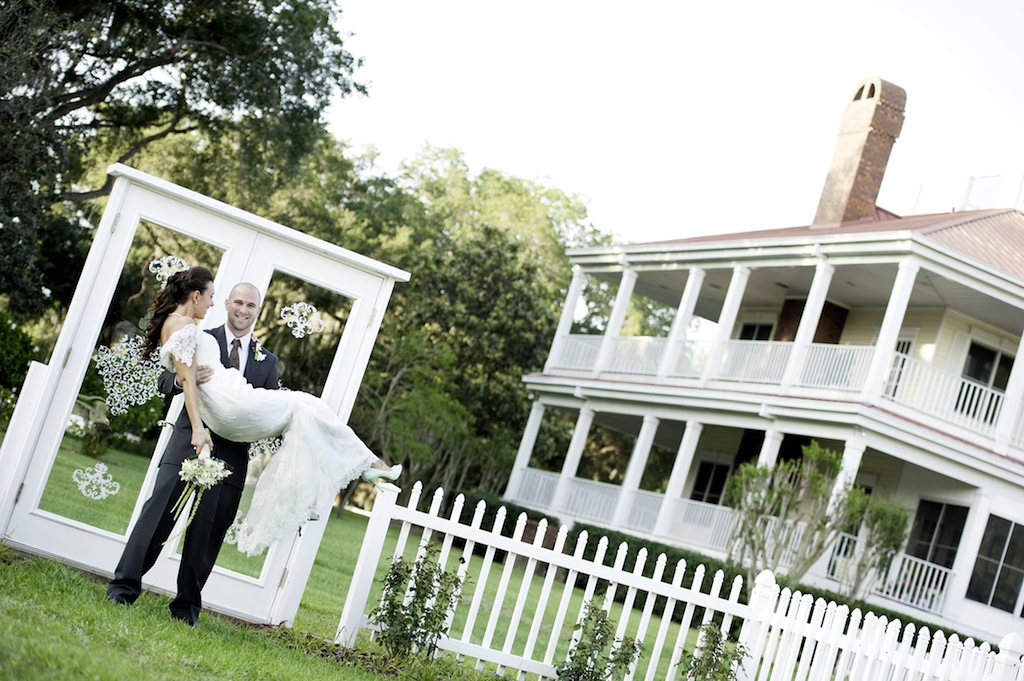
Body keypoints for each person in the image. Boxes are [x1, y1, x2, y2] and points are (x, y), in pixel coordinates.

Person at [107, 267, 400, 626]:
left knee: (207, 536)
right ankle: (123, 589)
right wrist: (188, 380)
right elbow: (168, 378)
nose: (242, 310)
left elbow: (270, 419)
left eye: (251, 305)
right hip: (189, 440)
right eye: (236, 302)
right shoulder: (199, 333)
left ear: (257, 312)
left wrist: (290, 456)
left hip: (230, 455)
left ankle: (186, 610)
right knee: (157, 518)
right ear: (226, 303)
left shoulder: (269, 362)